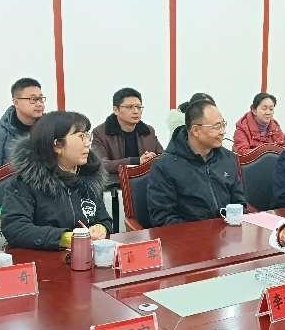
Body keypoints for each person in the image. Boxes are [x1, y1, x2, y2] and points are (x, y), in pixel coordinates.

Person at [1, 111, 112, 250]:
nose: (87, 143)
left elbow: (104, 219)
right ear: (57, 145)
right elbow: (15, 228)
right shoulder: (26, 181)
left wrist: (101, 227)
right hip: (43, 257)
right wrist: (64, 238)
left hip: (87, 255)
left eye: (87, 135)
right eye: (81, 136)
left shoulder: (89, 176)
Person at [147, 97, 246, 227]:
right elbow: (163, 219)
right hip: (188, 236)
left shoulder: (228, 158)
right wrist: (204, 232)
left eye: (223, 124)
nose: (222, 132)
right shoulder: (164, 166)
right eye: (216, 126)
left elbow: (239, 203)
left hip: (228, 234)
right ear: (195, 130)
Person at [92, 87, 164, 179]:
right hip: (116, 183)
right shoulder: (100, 133)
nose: (136, 111)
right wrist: (136, 161)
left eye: (139, 107)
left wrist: (152, 158)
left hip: (147, 181)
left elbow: (163, 157)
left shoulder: (148, 131)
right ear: (116, 110)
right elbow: (101, 164)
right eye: (130, 107)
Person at [0, 77, 45, 174]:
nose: (39, 104)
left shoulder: (52, 130)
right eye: (33, 99)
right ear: (16, 102)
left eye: (41, 99)